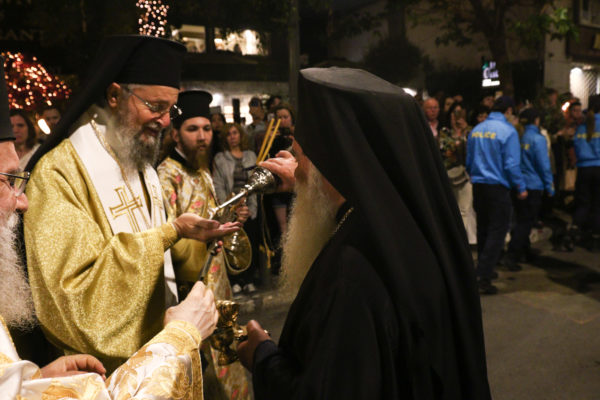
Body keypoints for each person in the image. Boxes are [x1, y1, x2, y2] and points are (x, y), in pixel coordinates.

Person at [237, 68, 491, 399]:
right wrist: (307, 180)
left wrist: (262, 356)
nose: (295, 169)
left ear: (333, 162)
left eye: (298, 156)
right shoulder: (409, 228)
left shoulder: (353, 272)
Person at [0, 56, 218, 399]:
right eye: (155, 106)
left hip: (157, 357)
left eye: (171, 110)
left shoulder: (142, 163)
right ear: (115, 95)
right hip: (105, 373)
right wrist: (168, 233)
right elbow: (74, 297)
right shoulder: (60, 171)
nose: (165, 121)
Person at [157, 90, 251, 399]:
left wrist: (231, 216)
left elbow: (211, 215)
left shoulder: (202, 170)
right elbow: (166, 236)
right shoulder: (166, 175)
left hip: (218, 280)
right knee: (194, 365)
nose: (202, 137)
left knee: (228, 351)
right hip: (191, 288)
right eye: (192, 129)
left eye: (207, 129)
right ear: (175, 133)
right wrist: (206, 235)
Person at [467, 95, 527, 295]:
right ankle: (483, 276)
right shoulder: (508, 131)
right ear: (509, 111)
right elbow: (511, 164)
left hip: (479, 185)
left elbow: (469, 160)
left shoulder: (477, 130)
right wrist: (520, 186)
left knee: (483, 228)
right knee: (497, 231)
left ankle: (483, 269)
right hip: (497, 187)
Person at [505, 108, 554, 270]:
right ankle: (512, 255)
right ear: (537, 120)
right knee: (526, 222)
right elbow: (543, 165)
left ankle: (524, 251)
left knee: (521, 220)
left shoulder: (518, 137)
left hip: (518, 184)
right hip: (533, 185)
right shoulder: (537, 139)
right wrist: (549, 186)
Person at [213, 122, 259, 294]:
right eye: (229, 134)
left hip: (249, 204)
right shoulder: (220, 158)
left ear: (240, 135)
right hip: (231, 206)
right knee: (231, 245)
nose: (232, 137)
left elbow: (256, 182)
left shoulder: (251, 155)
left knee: (251, 242)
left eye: (235, 133)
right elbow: (218, 185)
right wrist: (228, 208)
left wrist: (252, 208)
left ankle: (249, 279)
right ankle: (235, 280)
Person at [438, 102, 477, 245]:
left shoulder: (471, 131)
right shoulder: (445, 132)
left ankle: (462, 242)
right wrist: (457, 136)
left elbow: (473, 149)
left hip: (466, 176)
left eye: (460, 113)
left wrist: (464, 130)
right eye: (454, 113)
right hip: (449, 175)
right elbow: (446, 151)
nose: (456, 117)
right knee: (451, 209)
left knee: (465, 209)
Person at [570, 95, 600, 251]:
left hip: (583, 169)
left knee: (583, 203)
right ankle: (595, 238)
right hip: (598, 168)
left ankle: (572, 233)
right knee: (597, 205)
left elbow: (576, 145)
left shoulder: (582, 126)